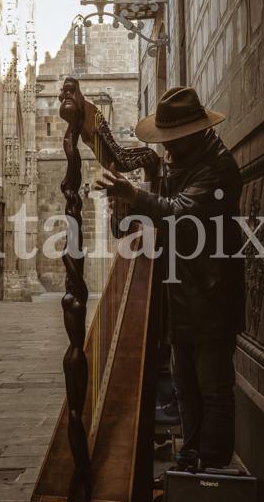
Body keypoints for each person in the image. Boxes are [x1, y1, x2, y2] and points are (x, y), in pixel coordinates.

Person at [95, 86, 245, 469]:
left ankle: (212, 470)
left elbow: (181, 214)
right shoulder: (179, 165)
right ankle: (191, 457)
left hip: (211, 296)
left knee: (213, 388)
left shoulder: (218, 167)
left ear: (194, 132)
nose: (167, 149)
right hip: (180, 295)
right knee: (185, 388)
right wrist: (123, 205)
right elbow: (137, 223)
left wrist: (137, 194)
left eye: (173, 140)